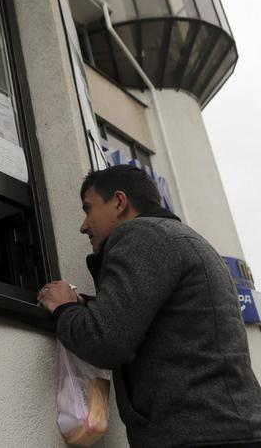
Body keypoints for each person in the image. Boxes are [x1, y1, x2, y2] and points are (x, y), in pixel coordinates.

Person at [38, 164, 261, 448]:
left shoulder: (141, 235)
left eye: (88, 209)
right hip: (228, 429)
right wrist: (93, 306)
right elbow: (156, 319)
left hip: (197, 436)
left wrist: (63, 308)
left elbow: (106, 340)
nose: (83, 226)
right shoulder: (186, 240)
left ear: (119, 203)